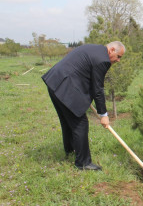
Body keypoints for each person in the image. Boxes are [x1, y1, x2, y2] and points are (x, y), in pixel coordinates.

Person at [42, 41, 125, 171]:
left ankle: (70, 150)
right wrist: (103, 114)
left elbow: (88, 79)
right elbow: (98, 89)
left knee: (67, 121)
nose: (118, 60)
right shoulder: (103, 60)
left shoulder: (94, 48)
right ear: (112, 50)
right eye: (119, 56)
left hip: (54, 81)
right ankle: (83, 163)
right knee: (80, 123)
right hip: (65, 85)